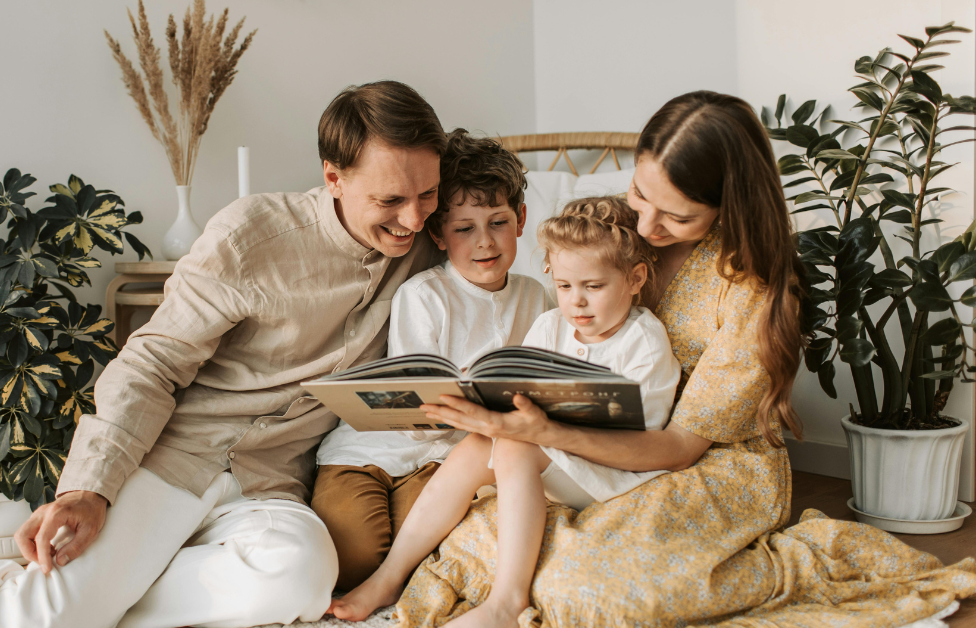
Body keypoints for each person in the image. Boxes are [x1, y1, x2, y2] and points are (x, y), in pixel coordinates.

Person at [0, 80, 446, 628]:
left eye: (428, 196)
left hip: (269, 484)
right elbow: (151, 363)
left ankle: (96, 604)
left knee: (299, 580)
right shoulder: (252, 237)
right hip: (172, 460)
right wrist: (90, 488)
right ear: (333, 177)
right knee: (40, 619)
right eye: (390, 200)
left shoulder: (429, 243)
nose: (414, 219)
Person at [393, 89, 810, 627]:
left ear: (729, 207)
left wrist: (540, 431)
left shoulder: (751, 290)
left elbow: (681, 446)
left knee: (589, 591)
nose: (647, 228)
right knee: (477, 538)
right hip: (586, 438)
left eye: (677, 218)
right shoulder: (615, 232)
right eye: (640, 194)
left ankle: (508, 601)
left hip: (694, 458)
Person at [329, 196, 680, 626]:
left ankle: (506, 602)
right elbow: (521, 385)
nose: (577, 303)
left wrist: (540, 427)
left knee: (513, 446)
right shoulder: (553, 325)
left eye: (594, 287)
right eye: (565, 287)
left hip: (612, 472)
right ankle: (390, 574)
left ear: (635, 278)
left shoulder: (644, 340)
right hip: (559, 461)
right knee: (480, 443)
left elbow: (643, 439)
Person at [312, 129, 550, 593]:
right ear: (439, 234)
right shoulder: (425, 296)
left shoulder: (536, 297)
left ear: (520, 219)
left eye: (498, 222)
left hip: (446, 462)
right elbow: (412, 406)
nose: (485, 242)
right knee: (351, 556)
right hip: (371, 451)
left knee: (425, 547)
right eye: (465, 228)